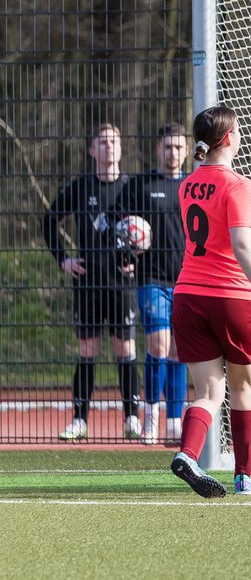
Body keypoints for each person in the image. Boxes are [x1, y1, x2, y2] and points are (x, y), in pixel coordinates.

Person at [169, 105, 251, 498]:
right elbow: (237, 245)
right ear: (230, 137)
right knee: (242, 385)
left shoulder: (187, 185)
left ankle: (188, 453)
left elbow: (210, 228)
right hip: (232, 298)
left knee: (207, 393)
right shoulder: (240, 184)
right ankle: (244, 478)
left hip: (188, 296)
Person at [42, 123, 142, 441]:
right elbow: (49, 221)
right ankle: (80, 419)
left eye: (114, 141)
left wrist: (137, 264)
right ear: (92, 150)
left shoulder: (132, 186)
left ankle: (132, 418)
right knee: (87, 351)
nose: (109, 146)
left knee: (125, 351)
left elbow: (150, 233)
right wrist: (63, 259)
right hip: (87, 283)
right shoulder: (80, 187)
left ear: (121, 148)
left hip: (121, 285)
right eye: (102, 142)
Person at [113, 122, 190, 444]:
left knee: (178, 351)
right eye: (167, 147)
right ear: (157, 148)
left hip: (187, 279)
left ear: (186, 150)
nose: (173, 153)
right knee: (158, 346)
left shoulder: (193, 184)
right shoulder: (141, 184)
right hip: (151, 279)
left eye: (178, 147)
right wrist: (125, 256)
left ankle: (175, 423)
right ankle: (151, 417)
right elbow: (117, 224)